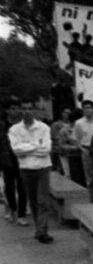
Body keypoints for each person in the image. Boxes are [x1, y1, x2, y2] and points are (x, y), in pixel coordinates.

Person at [7, 98, 56, 243]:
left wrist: (27, 147)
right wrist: (36, 146)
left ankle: (42, 231)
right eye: (25, 108)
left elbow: (46, 149)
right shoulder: (14, 129)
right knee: (33, 200)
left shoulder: (43, 128)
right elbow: (16, 150)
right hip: (26, 168)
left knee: (43, 200)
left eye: (30, 108)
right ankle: (39, 227)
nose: (27, 111)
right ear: (21, 111)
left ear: (34, 110)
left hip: (43, 167)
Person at [1, 99, 27, 225]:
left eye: (17, 108)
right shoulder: (2, 124)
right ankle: (12, 208)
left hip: (22, 158)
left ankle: (21, 214)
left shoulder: (24, 124)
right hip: (7, 158)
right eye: (12, 108)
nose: (15, 111)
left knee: (23, 187)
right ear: (7, 110)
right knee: (9, 186)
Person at [73, 100, 93, 201]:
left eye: (89, 107)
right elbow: (77, 138)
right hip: (86, 150)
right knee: (89, 178)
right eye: (85, 108)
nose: (87, 110)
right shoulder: (79, 123)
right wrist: (82, 149)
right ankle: (92, 199)